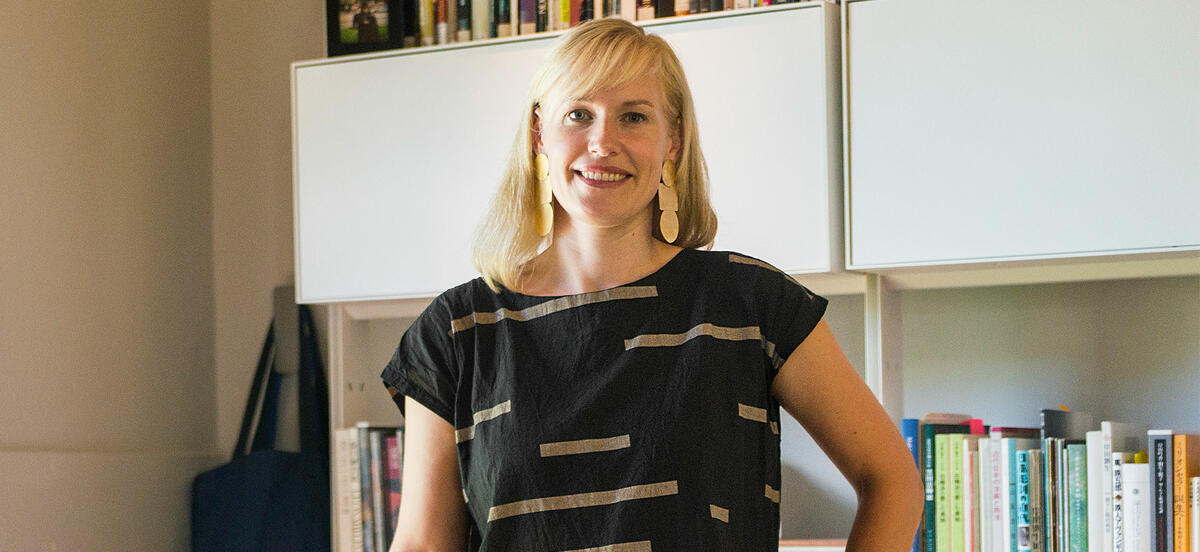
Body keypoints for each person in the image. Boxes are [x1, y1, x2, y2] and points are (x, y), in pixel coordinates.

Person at [380, 17, 922, 551]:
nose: (602, 142)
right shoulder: (455, 331)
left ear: (674, 142)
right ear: (539, 133)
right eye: (579, 114)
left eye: (634, 117)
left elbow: (892, 481)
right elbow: (424, 543)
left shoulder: (751, 303)